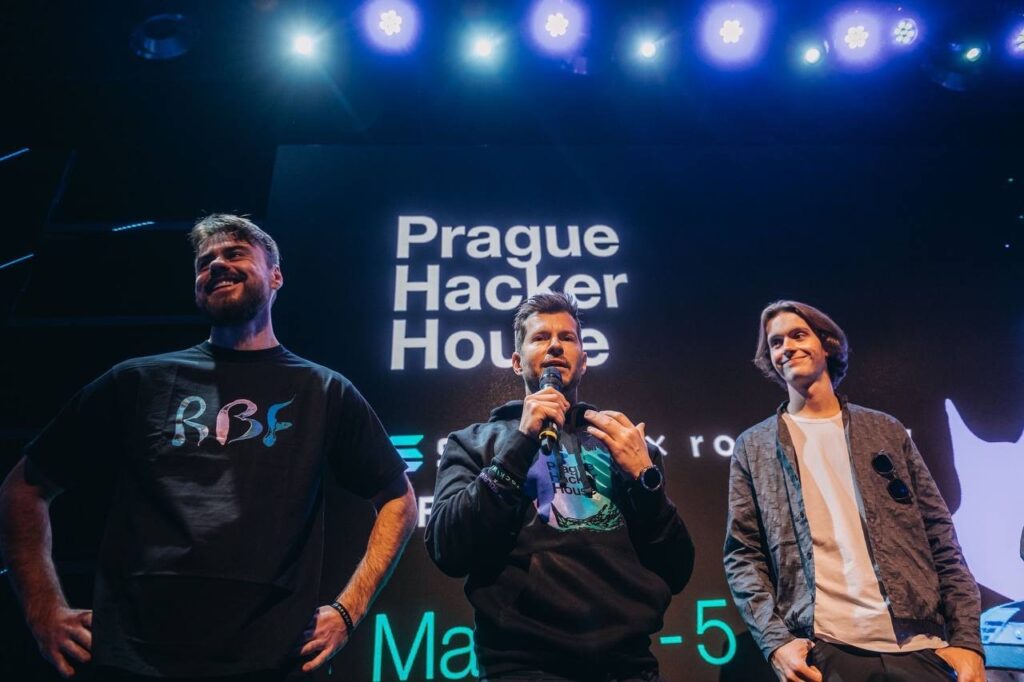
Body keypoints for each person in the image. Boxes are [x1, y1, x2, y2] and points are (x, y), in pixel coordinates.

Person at [0, 214, 418, 680]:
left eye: (234, 253)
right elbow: (24, 489)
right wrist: (43, 611)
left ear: (276, 276)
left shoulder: (323, 391)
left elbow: (398, 500)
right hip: (136, 659)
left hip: (274, 660)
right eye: (204, 262)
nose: (216, 265)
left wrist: (347, 611)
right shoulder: (138, 381)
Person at [425, 292, 694, 682]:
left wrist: (645, 479)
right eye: (540, 337)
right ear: (517, 362)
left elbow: (677, 568)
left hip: (628, 666)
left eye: (567, 338)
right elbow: (448, 549)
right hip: (521, 666)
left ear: (583, 361)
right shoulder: (474, 443)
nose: (554, 345)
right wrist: (520, 444)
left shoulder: (624, 443)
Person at [723, 300, 985, 682]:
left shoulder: (885, 431)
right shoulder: (754, 446)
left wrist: (967, 640)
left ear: (827, 344)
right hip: (827, 650)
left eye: (798, 335)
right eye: (776, 342)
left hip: (920, 646)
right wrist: (776, 642)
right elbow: (743, 555)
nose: (787, 347)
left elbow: (940, 537)